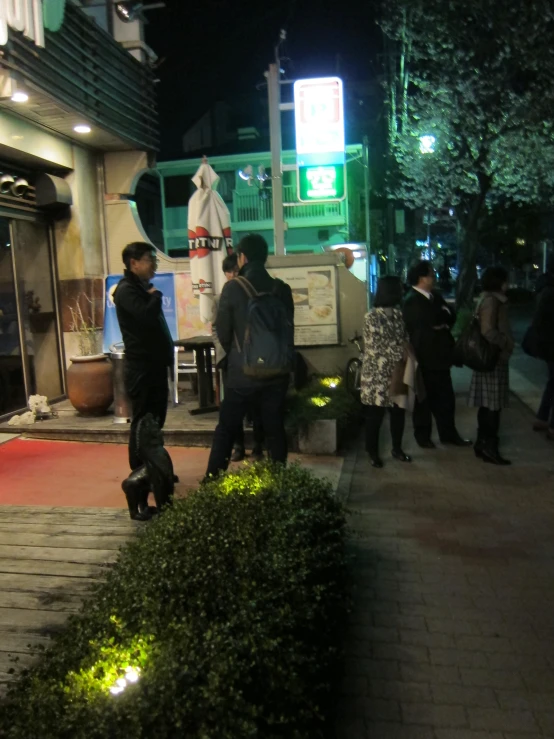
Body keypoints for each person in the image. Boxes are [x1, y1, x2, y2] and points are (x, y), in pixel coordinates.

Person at [205, 233, 294, 478]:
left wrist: (242, 355)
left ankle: (212, 481)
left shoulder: (233, 288)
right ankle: (280, 480)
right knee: (275, 427)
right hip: (277, 373)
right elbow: (289, 332)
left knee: (226, 428)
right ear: (264, 258)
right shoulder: (281, 289)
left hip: (241, 375)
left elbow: (223, 333)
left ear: (242, 257)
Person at [113, 242, 174, 472]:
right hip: (142, 369)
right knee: (142, 422)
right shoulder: (127, 290)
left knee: (156, 420)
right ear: (134, 263)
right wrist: (156, 296)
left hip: (154, 366)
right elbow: (146, 318)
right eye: (151, 260)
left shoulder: (141, 288)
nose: (155, 266)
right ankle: (140, 470)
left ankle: (156, 466)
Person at [403, 260, 471, 448]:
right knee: (424, 399)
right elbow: (430, 320)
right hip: (424, 357)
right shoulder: (411, 300)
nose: (434, 277)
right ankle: (423, 436)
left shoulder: (435, 296)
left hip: (441, 356)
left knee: (446, 399)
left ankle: (448, 434)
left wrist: (441, 320)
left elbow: (451, 315)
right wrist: (439, 318)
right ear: (422, 277)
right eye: (431, 274)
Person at [211, 253, 264, 462]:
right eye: (229, 271)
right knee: (233, 409)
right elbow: (217, 329)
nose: (232, 274)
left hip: (254, 359)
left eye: (235, 270)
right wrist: (225, 353)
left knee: (256, 405)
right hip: (231, 360)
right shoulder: (220, 297)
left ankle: (259, 445)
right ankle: (238, 446)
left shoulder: (253, 293)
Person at [361, 276, 412, 468]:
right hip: (376, 375)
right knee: (375, 416)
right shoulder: (372, 316)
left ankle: (397, 449)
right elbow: (374, 347)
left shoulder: (399, 315)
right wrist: (402, 350)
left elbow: (405, 338)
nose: (402, 290)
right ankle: (372, 452)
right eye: (399, 288)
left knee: (398, 413)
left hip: (397, 372)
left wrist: (404, 349)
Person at [469, 266, 514, 465]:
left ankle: (482, 444)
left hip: (488, 359)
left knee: (488, 405)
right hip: (492, 359)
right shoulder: (492, 301)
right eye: (505, 279)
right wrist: (505, 342)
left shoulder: (488, 299)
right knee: (492, 406)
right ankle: (489, 447)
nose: (508, 283)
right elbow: (488, 331)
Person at [531, 262, 554, 439]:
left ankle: (542, 417)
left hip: (547, 345)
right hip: (551, 344)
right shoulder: (551, 292)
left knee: (552, 382)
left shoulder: (545, 289)